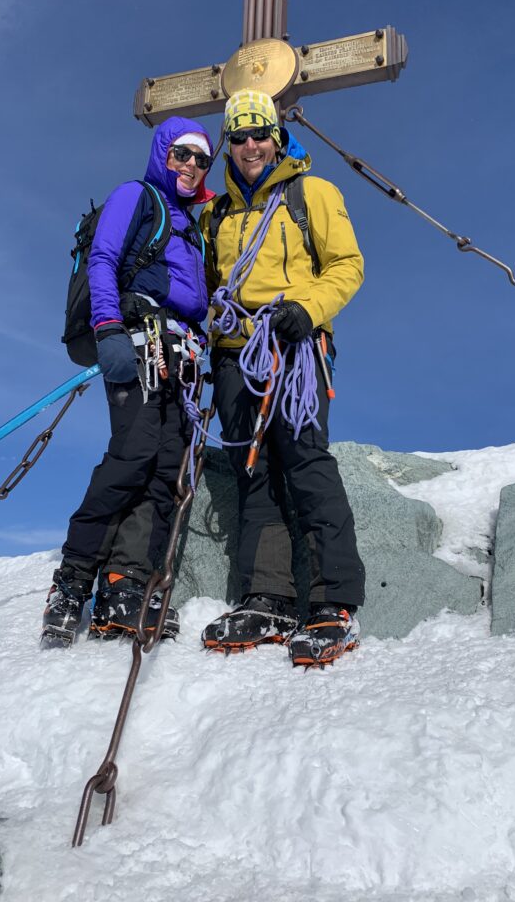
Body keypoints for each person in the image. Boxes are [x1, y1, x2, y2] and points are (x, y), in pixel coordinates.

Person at [198, 89, 366, 667]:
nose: (249, 146)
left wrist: (307, 308)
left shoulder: (311, 193)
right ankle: (268, 595)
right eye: (238, 136)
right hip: (234, 356)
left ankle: (334, 602)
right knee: (254, 472)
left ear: (276, 136)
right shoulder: (216, 214)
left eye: (259, 134)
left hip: (293, 346)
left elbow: (348, 264)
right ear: (229, 143)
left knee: (305, 460)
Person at [41, 116, 215, 648]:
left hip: (180, 358)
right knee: (133, 455)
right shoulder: (136, 197)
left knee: (165, 469)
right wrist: (109, 329)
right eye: (182, 153)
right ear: (163, 152)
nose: (191, 165)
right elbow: (104, 258)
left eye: (201, 160)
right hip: (139, 345)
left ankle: (127, 582)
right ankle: (72, 581)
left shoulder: (191, 226)